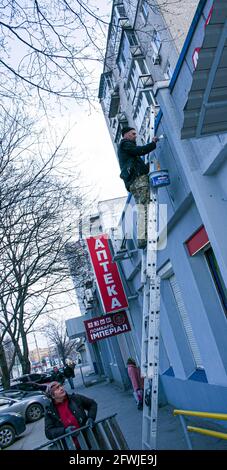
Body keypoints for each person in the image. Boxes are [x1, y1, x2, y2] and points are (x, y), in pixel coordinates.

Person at [118, 127, 159, 249]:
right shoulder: (126, 145)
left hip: (135, 181)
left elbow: (141, 167)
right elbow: (140, 150)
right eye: (133, 134)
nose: (135, 136)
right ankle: (142, 238)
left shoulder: (129, 153)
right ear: (126, 135)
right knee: (144, 208)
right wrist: (153, 143)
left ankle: (142, 236)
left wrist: (150, 166)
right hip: (137, 181)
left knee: (142, 207)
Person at [44, 381, 97, 449]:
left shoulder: (75, 398)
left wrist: (91, 418)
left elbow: (92, 404)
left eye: (60, 386)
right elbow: (48, 432)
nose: (61, 388)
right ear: (52, 396)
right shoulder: (50, 411)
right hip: (70, 446)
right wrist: (64, 431)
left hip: (89, 441)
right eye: (57, 388)